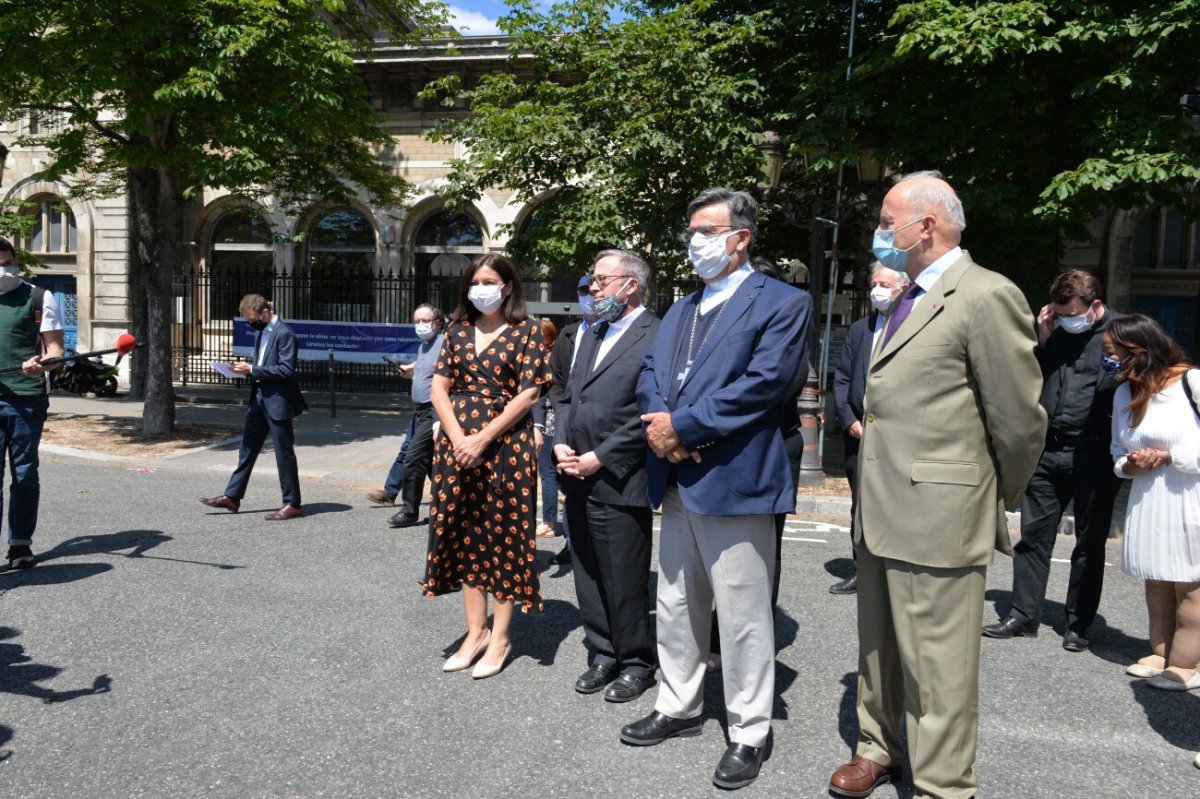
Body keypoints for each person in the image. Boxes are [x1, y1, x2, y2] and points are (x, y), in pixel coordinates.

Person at [827, 171, 1045, 799]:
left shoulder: (984, 294)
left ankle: (943, 784)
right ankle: (879, 746)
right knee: (880, 649)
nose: (879, 230)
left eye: (888, 217)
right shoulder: (907, 295)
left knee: (939, 665)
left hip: (941, 512)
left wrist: (981, 497)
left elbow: (1019, 421)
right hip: (881, 508)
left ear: (926, 225)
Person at [626, 188, 810, 790]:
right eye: (691, 230)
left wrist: (683, 426)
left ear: (741, 237)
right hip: (677, 476)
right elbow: (651, 372)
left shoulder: (783, 302)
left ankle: (750, 730)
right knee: (678, 603)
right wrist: (662, 428)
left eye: (707, 230)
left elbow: (766, 386)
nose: (694, 242)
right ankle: (678, 704)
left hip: (736, 479)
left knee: (743, 614)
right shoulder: (683, 307)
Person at [421, 253, 552, 680]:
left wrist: (482, 437)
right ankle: (474, 632)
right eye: (476, 280)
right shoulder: (457, 330)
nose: (482, 287)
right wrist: (458, 436)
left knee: (503, 536)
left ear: (508, 285)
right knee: (464, 533)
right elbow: (439, 387)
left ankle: (500, 637)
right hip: (457, 444)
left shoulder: (528, 331)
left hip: (505, 445)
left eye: (490, 280)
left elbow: (529, 395)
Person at [983, 269, 1123, 651]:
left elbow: (1117, 382)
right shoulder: (1055, 334)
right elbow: (1026, 378)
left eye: (1072, 313)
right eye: (1059, 314)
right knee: (1032, 537)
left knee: (1089, 542)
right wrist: (1042, 340)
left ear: (1095, 306)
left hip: (1093, 451)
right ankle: (1023, 616)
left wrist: (1114, 360)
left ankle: (1078, 624)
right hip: (1048, 450)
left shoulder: (1119, 335)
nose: (1066, 320)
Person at [553, 250, 661, 703]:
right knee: (587, 571)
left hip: (621, 476)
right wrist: (559, 439)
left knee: (624, 576)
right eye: (593, 281)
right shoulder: (591, 331)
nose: (592, 288)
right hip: (575, 470)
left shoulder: (656, 333)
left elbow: (652, 411)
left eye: (601, 280)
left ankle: (637, 662)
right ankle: (602, 653)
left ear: (630, 285)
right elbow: (566, 395)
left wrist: (602, 455)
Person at [1104, 314, 1200, 691]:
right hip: (1150, 498)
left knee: (1189, 583)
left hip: (1190, 496)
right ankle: (1161, 652)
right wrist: (1130, 463)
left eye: (1113, 353)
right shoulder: (1124, 392)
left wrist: (1168, 456)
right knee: (1158, 579)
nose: (1108, 361)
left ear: (1139, 350)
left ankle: (1185, 664)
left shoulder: (1192, 382)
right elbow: (1117, 451)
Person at [830, 262, 909, 595]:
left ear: (903, 290)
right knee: (860, 507)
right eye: (873, 283)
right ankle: (862, 570)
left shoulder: (912, 328)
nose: (876, 290)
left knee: (898, 506)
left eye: (884, 285)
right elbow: (843, 377)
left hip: (898, 438)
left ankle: (894, 573)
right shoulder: (861, 329)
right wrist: (849, 419)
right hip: (859, 435)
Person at [200, 294, 307, 521]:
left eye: (253, 320)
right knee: (247, 448)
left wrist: (252, 370)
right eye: (248, 321)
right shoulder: (261, 332)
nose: (251, 324)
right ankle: (232, 496)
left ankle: (292, 503)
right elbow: (261, 364)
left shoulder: (285, 334)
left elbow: (286, 370)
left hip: (278, 402)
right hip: (258, 399)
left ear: (265, 312)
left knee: (283, 453)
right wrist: (240, 369)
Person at [0, 237, 64, 569]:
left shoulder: (38, 297)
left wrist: (42, 361)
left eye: (7, 263)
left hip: (26, 399)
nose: (4, 270)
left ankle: (19, 545)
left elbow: (56, 352)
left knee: (24, 474)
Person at [544, 274, 599, 566]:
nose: (589, 295)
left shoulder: (610, 330)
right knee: (567, 478)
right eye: (582, 290)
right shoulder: (568, 334)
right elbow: (555, 378)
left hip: (596, 419)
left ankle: (593, 542)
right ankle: (571, 542)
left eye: (592, 289)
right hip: (564, 417)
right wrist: (562, 406)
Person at [383, 305, 445, 528]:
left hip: (433, 411)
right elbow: (426, 364)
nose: (420, 325)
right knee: (427, 463)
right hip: (419, 411)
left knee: (412, 459)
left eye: (424, 320)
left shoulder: (444, 342)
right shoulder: (425, 345)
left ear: (437, 322)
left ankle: (409, 511)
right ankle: (446, 505)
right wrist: (411, 368)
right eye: (416, 321)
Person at [532, 317, 561, 539]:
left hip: (550, 421)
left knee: (547, 471)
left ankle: (549, 522)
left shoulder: (546, 360)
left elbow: (542, 395)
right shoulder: (556, 357)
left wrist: (538, 426)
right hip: (555, 419)